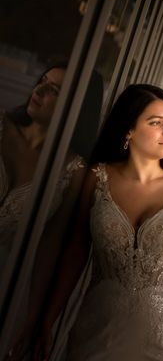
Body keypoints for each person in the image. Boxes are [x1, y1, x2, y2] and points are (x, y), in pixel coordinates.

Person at [34, 84, 163, 360]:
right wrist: (47, 321)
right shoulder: (97, 178)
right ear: (128, 130)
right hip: (98, 330)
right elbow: (76, 252)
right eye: (156, 123)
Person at [2, 62, 103, 360]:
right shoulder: (1, 125)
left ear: (78, 108)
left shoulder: (73, 170)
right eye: (43, 81)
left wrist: (35, 318)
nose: (40, 90)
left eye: (54, 90)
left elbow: (51, 245)